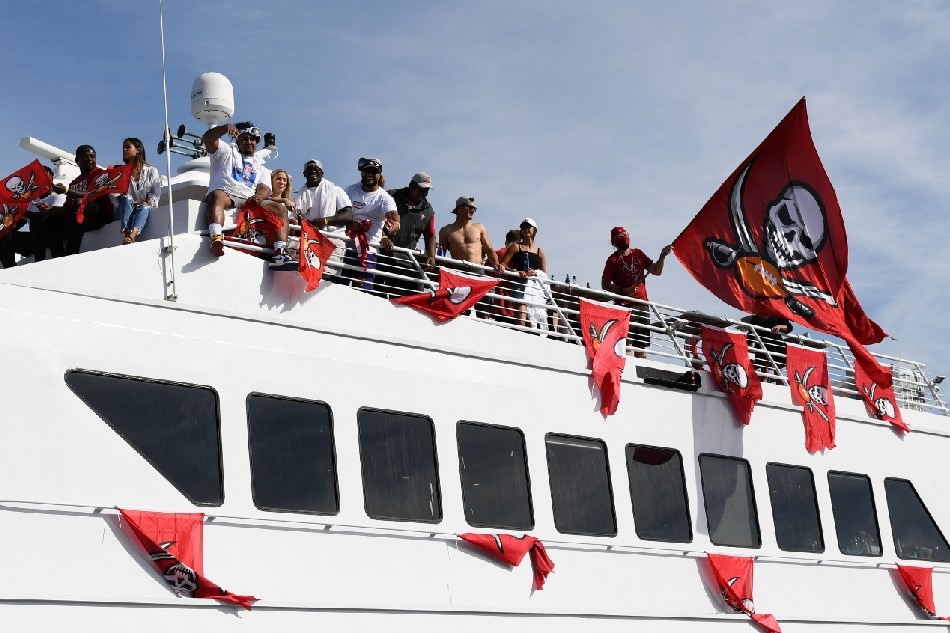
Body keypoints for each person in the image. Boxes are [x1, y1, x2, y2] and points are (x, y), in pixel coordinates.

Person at [202, 122, 272, 258]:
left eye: (252, 139)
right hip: (228, 195)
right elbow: (208, 139)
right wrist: (224, 128)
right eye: (244, 138)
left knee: (279, 209)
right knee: (217, 195)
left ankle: (280, 250)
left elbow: (265, 188)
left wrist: (259, 197)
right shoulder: (226, 151)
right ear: (236, 139)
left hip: (250, 201)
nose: (249, 142)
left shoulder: (261, 166)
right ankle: (216, 237)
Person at [601, 226, 671, 358]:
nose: (624, 237)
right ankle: (626, 373)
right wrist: (623, 291)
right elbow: (604, 284)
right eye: (620, 236)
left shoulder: (638, 253)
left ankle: (640, 375)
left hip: (642, 305)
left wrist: (662, 257)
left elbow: (656, 271)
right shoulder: (613, 260)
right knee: (626, 344)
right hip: (624, 306)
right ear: (614, 241)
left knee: (642, 346)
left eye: (625, 234)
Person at [438, 196, 502, 318]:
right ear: (459, 209)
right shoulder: (446, 230)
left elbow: (489, 249)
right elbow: (441, 254)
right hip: (458, 272)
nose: (473, 210)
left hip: (478, 270)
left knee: (483, 309)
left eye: (474, 208)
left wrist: (497, 264)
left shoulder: (479, 227)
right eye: (470, 207)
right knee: (460, 309)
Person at [341, 157, 399, 290]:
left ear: (379, 174)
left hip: (368, 252)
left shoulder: (384, 197)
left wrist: (395, 224)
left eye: (373, 171)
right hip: (346, 248)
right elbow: (338, 211)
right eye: (366, 171)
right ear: (361, 172)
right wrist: (350, 223)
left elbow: (392, 215)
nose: (369, 174)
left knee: (362, 292)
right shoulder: (350, 190)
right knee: (337, 288)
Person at [50, 145, 117, 256]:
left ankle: (71, 253)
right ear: (77, 160)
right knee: (50, 218)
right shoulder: (74, 183)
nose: (90, 159)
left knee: (80, 203)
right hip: (79, 218)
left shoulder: (101, 174)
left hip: (100, 215)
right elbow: (67, 208)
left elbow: (94, 194)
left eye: (92, 156)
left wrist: (67, 191)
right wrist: (51, 209)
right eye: (86, 156)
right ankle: (57, 257)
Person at [379, 172, 437, 296]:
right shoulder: (391, 195)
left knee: (402, 300)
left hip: (406, 261)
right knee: (376, 295)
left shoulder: (428, 210)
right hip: (382, 254)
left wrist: (431, 255)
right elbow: (375, 219)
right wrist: (383, 237)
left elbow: (430, 234)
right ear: (411, 185)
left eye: (426, 191)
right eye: (420, 189)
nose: (423, 194)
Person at [0, 165, 63, 266]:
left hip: (51, 238)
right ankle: (10, 269)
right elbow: (19, 222)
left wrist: (23, 212)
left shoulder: (57, 196)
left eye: (46, 178)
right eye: (40, 178)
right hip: (34, 240)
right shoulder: (31, 201)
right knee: (4, 234)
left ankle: (41, 264)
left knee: (38, 221)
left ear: (52, 179)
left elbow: (49, 216)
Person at [500, 218, 548, 329]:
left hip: (535, 290)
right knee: (521, 318)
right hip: (520, 285)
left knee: (532, 323)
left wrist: (535, 273)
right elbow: (503, 264)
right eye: (523, 227)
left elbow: (544, 275)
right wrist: (517, 272)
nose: (526, 229)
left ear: (534, 230)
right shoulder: (516, 247)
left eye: (528, 227)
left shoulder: (540, 252)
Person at [113, 138, 161, 245]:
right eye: (123, 148)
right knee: (126, 198)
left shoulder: (152, 171)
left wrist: (145, 201)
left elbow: (156, 194)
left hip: (141, 208)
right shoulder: (120, 171)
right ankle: (126, 232)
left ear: (138, 150)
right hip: (123, 209)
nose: (124, 150)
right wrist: (127, 200)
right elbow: (113, 193)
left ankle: (132, 235)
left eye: (128, 147)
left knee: (145, 206)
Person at [261, 168, 297, 270]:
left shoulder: (290, 206)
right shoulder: (264, 198)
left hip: (283, 250)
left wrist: (292, 225)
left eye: (285, 180)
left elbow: (287, 232)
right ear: (271, 181)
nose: (282, 182)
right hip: (264, 246)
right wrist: (283, 200)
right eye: (278, 179)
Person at [741, 314, 793, 381]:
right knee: (764, 372)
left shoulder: (775, 315)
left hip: (776, 346)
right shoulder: (754, 318)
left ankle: (780, 389)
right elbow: (751, 335)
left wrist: (780, 326)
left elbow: (789, 327)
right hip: (761, 347)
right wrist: (745, 347)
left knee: (778, 372)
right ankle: (764, 388)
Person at [491, 229, 522, 324]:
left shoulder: (496, 254)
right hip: (516, 305)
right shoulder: (520, 255)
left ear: (506, 241)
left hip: (498, 304)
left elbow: (487, 273)